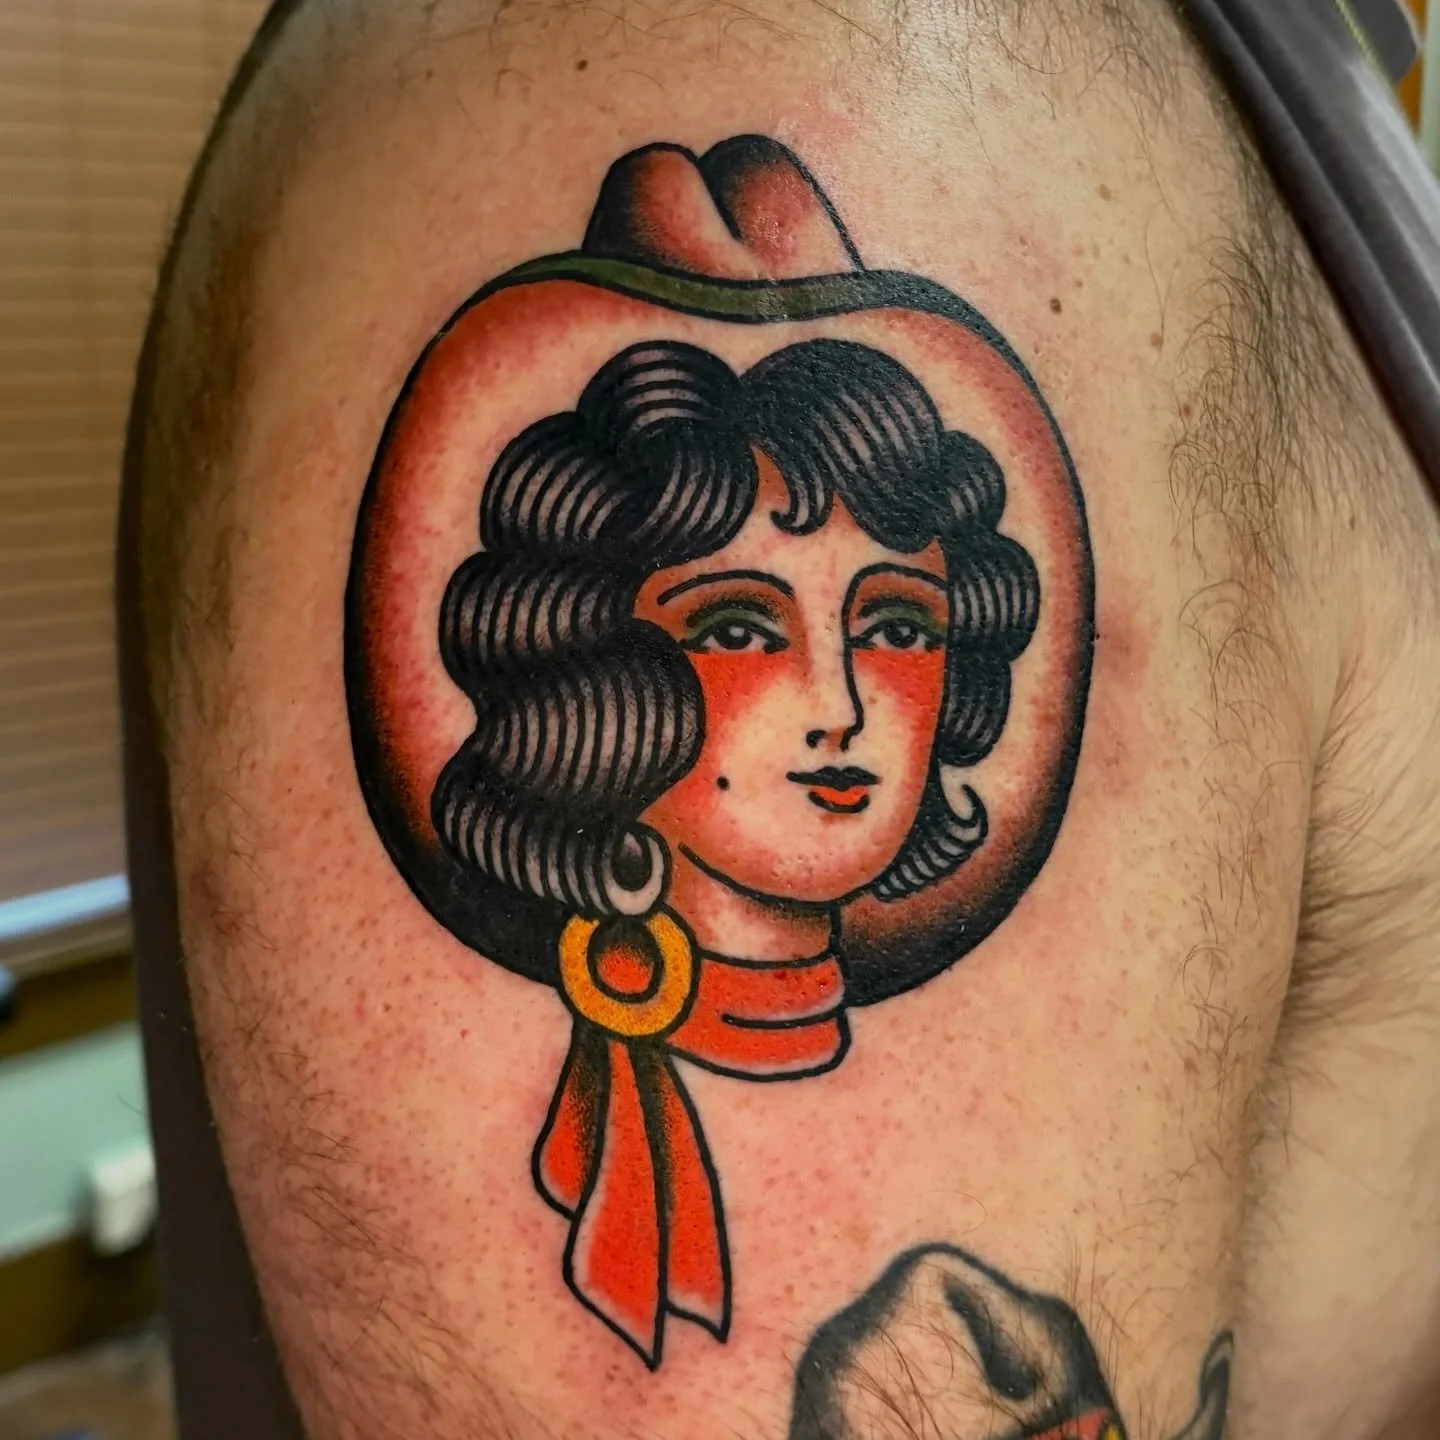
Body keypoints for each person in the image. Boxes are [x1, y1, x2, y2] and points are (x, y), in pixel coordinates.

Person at [116, 1, 1440, 1437]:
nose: (841, 706)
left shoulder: (1279, 84)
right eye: (741, 628)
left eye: (898, 625)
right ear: (592, 672)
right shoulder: (862, 65)